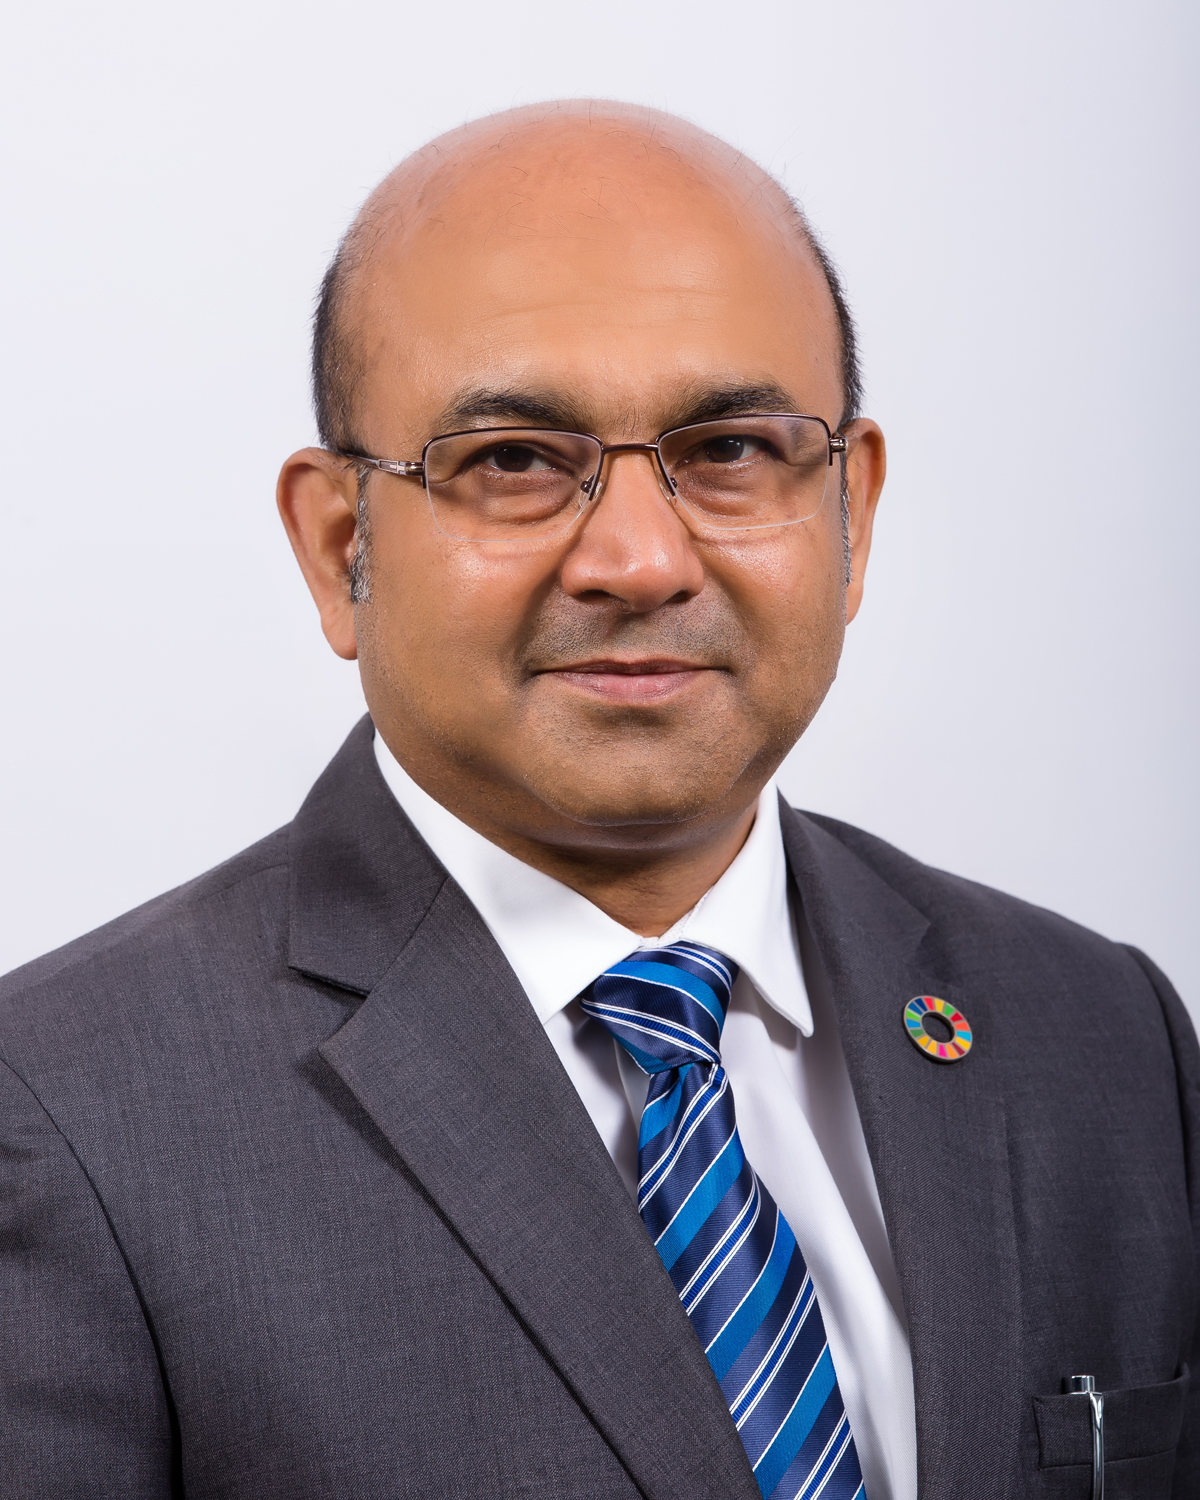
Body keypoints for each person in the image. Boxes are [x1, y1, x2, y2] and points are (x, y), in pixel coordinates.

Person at [1, 100, 1195, 1500]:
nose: (639, 559)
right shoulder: (65, 1118)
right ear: (341, 549)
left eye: (733, 449)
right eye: (514, 461)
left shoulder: (1105, 1041)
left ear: (851, 515)